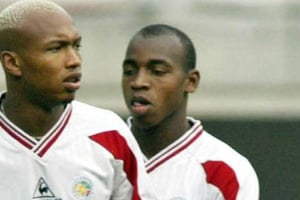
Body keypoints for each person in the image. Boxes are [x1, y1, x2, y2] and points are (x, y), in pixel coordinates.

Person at [0, 1, 158, 199]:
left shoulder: (108, 132)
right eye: (55, 48)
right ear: (13, 63)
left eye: (76, 46)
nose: (74, 60)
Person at [121, 24, 260, 200]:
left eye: (157, 72)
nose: (138, 82)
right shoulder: (98, 151)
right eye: (129, 71)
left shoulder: (225, 170)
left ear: (191, 81)